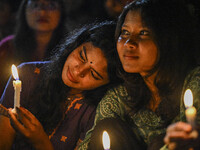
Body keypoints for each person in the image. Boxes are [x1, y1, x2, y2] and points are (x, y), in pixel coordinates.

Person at [78, 0, 200, 149]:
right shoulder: (119, 98)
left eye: (143, 33)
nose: (129, 42)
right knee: (107, 128)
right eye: (125, 32)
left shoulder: (195, 82)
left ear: (168, 39)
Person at [0, 21, 121, 150]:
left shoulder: (95, 112)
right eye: (81, 56)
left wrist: (40, 141)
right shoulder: (28, 75)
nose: (78, 71)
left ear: (105, 84)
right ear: (75, 45)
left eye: (94, 74)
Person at [0, 0, 67, 97]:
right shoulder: (7, 47)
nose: (42, 12)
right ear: (24, 10)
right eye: (35, 5)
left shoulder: (70, 50)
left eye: (51, 5)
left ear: (61, 12)